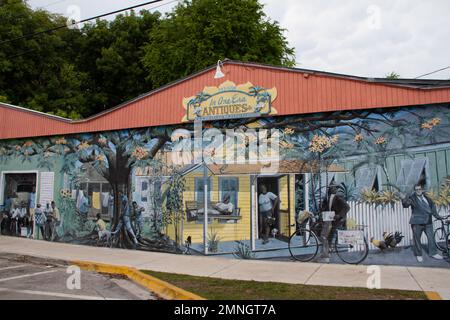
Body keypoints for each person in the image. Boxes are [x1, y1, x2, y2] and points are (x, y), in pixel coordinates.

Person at [400, 184, 443, 262]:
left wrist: (438, 217)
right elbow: (406, 205)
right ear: (414, 191)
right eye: (416, 189)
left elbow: (433, 209)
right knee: (417, 239)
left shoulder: (428, 198)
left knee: (431, 238)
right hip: (417, 222)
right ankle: (419, 255)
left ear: (422, 189)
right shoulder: (412, 198)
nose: (418, 191)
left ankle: (433, 253)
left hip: (428, 221)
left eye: (419, 189)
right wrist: (403, 199)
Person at [318, 183, 350, 262]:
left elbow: (347, 207)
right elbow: (324, 207)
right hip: (329, 218)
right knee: (324, 233)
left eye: (332, 188)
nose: (330, 190)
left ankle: (329, 249)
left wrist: (339, 215)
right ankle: (327, 250)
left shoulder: (338, 197)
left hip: (337, 219)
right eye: (329, 188)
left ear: (335, 189)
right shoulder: (327, 198)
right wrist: (321, 212)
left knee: (331, 233)